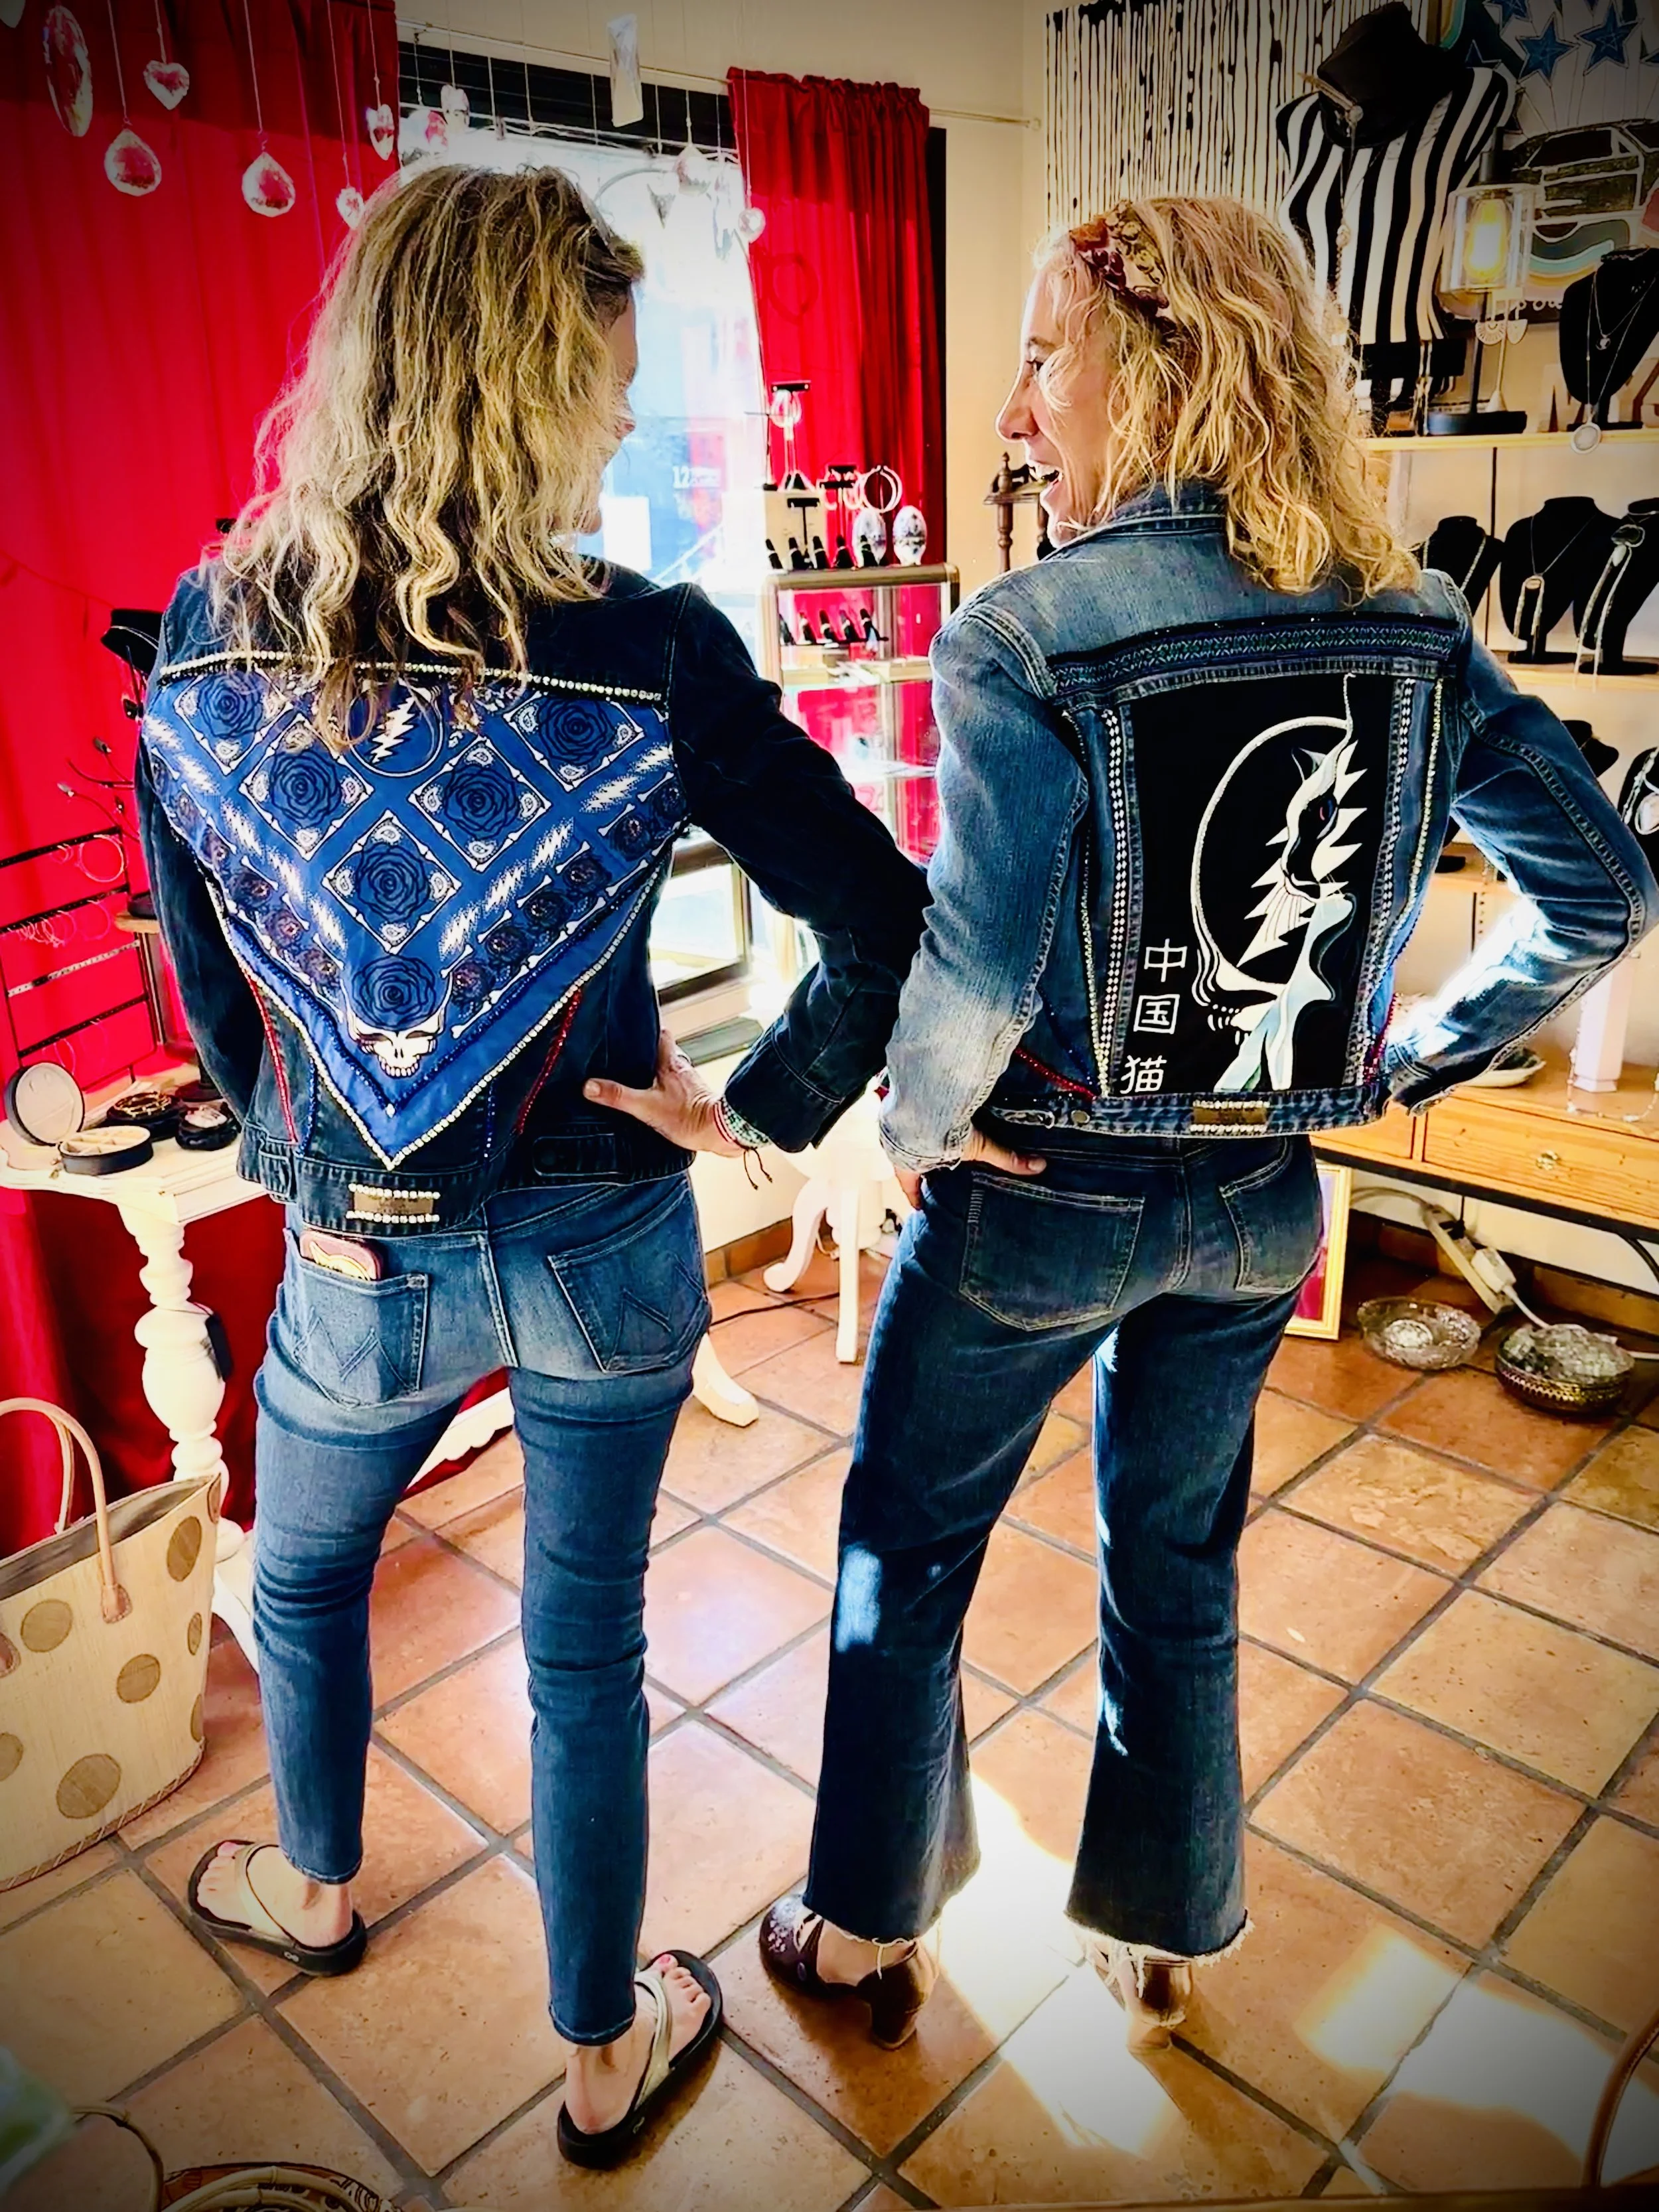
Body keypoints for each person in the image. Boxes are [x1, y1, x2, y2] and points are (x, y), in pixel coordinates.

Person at [599, 194, 1656, 2055]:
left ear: (1158, 368)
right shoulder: (1411, 619)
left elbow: (984, 958)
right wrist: (1399, 1057)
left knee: (901, 1555)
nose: (1019, 409)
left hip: (1043, 1195)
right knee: (1171, 1560)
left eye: (1040, 358)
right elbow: (1602, 886)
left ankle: (855, 1933)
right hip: (1260, 1206)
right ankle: (1162, 1941)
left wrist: (912, 1125)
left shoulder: (1027, 634)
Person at [135, 163, 932, 2166]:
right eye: (603, 383)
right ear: (524, 382)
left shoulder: (220, 622)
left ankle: (313, 1885)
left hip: (353, 1249)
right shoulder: (654, 650)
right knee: (583, 1649)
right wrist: (756, 1117)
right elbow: (881, 920)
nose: (611, 427)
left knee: (301, 1582)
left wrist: (277, 1136)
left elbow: (200, 949)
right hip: (599, 1235)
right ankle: (599, 2046)